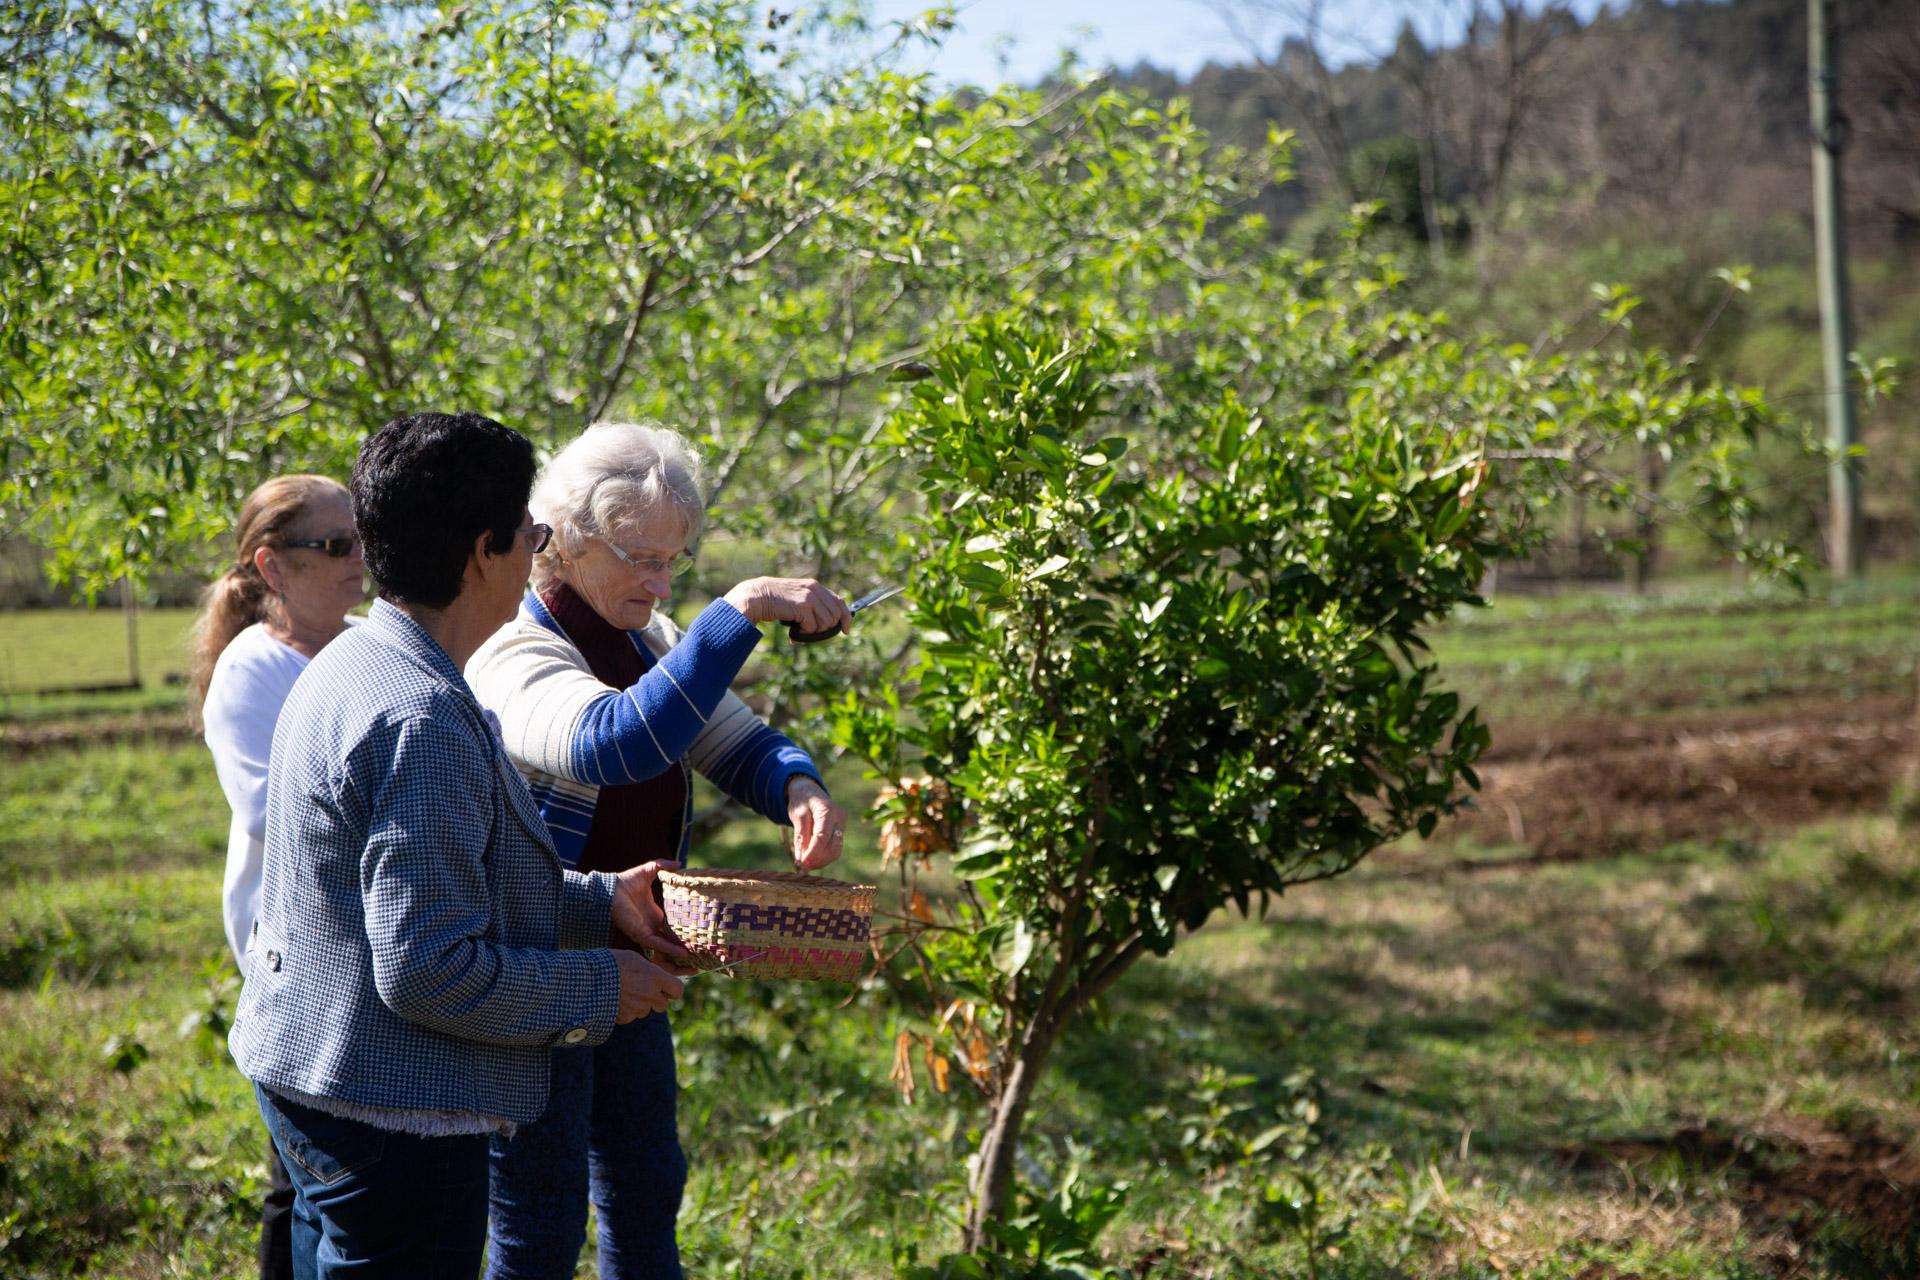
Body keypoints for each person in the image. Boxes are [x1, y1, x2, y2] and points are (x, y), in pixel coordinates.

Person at [228, 411, 694, 1280]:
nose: (537, 551)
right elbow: (429, 966)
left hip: (306, 1076)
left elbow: (426, 886)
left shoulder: (355, 660)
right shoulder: (423, 717)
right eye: (532, 534)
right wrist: (601, 982)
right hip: (391, 1118)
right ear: (486, 550)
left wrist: (596, 898)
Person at [464, 421, 852, 1280]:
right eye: (641, 558)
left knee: (646, 1192)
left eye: (673, 560)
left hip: (634, 962)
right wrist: (739, 612)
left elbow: (734, 741)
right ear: (561, 542)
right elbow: (612, 741)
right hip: (537, 971)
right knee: (540, 1218)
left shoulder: (651, 638)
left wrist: (796, 785)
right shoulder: (514, 650)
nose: (659, 579)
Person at [192, 472, 367, 1280]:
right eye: (333, 545)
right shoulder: (251, 671)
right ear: (272, 566)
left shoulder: (370, 643)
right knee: (301, 1181)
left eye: (359, 538)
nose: (356, 558)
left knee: (335, 1179)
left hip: (373, 943)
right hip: (293, 949)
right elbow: (273, 813)